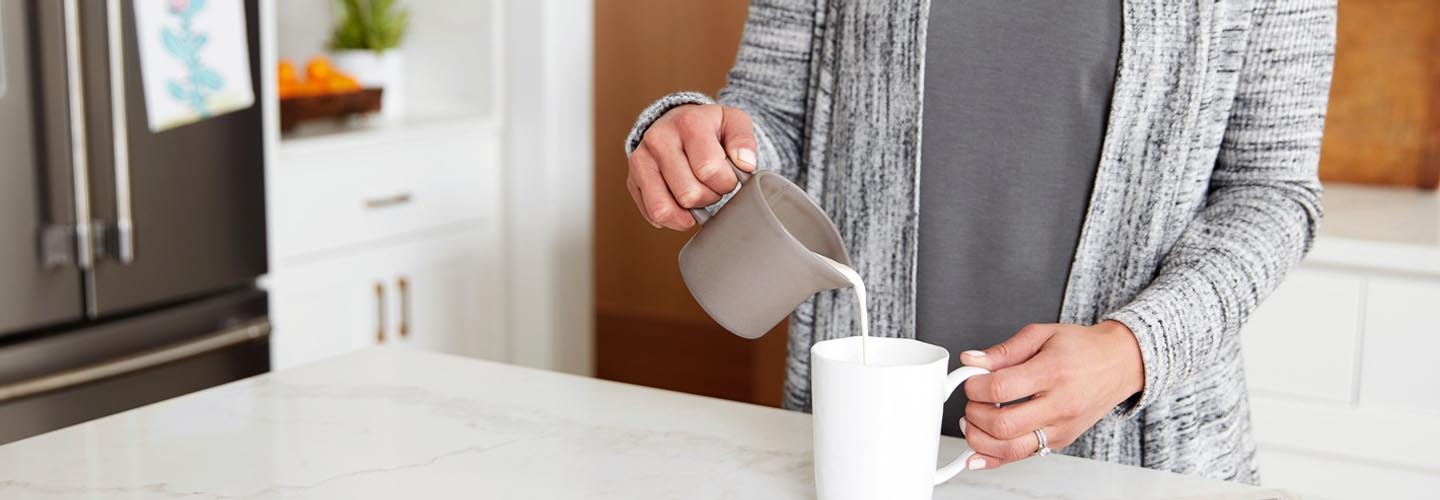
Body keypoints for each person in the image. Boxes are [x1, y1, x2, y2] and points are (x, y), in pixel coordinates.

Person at [622, 0, 1334, 484]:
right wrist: (699, 143)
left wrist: (1133, 350)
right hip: (858, 455)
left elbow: (1270, 189)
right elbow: (774, 115)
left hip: (1147, 461)